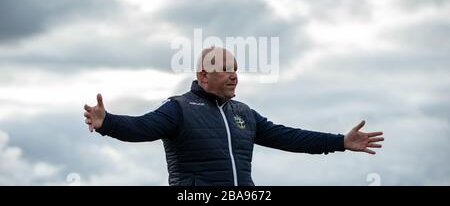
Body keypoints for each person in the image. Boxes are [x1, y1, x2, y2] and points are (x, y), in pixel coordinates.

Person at [83, 47, 384, 186]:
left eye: (236, 69)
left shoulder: (244, 114)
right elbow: (141, 127)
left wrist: (340, 141)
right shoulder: (179, 108)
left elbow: (289, 137)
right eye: (226, 69)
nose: (234, 76)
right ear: (203, 75)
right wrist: (107, 122)